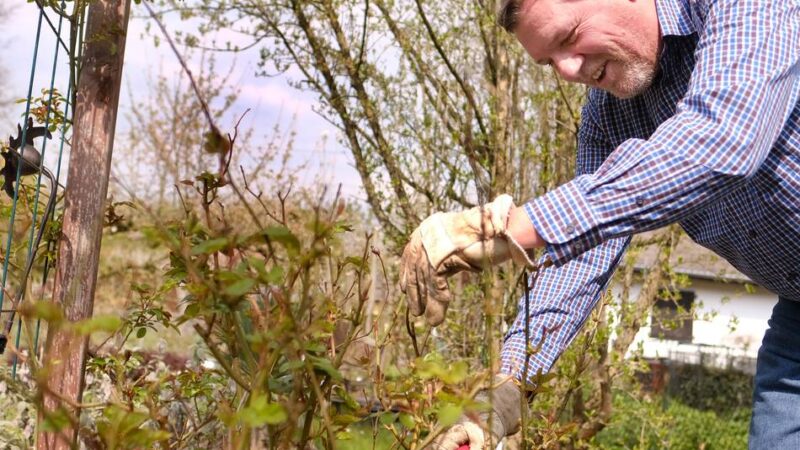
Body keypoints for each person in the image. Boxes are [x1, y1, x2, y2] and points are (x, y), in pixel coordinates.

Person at [398, 0, 800, 448]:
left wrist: (511, 230)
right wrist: (505, 392)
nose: (569, 71)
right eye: (549, 61)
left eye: (569, 37)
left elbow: (724, 136)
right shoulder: (609, 117)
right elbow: (580, 255)